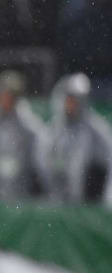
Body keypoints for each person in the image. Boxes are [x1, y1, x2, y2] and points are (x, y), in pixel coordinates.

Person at [0, 70, 47, 201]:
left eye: (10, 96)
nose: (6, 100)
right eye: (3, 95)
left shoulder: (28, 122)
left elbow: (40, 149)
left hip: (22, 184)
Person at [42, 73, 112, 203]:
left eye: (75, 101)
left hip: (88, 201)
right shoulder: (52, 130)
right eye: (68, 100)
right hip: (57, 199)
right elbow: (42, 164)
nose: (71, 105)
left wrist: (107, 197)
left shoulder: (96, 130)